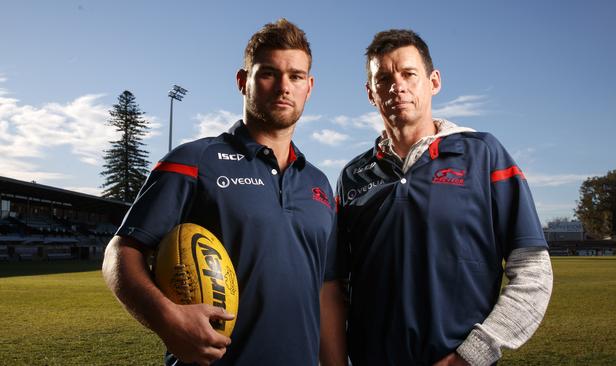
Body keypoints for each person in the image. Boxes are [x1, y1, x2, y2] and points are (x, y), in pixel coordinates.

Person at [103, 19, 346, 366]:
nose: (283, 87)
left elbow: (327, 289)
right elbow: (121, 253)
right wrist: (168, 320)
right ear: (242, 81)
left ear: (309, 86)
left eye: (295, 76)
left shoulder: (319, 184)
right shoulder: (194, 160)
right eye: (268, 73)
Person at [336, 29, 553, 366]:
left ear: (433, 81)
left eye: (409, 74)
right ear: (370, 93)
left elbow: (534, 272)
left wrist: (471, 356)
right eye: (384, 79)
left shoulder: (484, 155)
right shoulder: (353, 175)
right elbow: (339, 286)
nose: (397, 86)